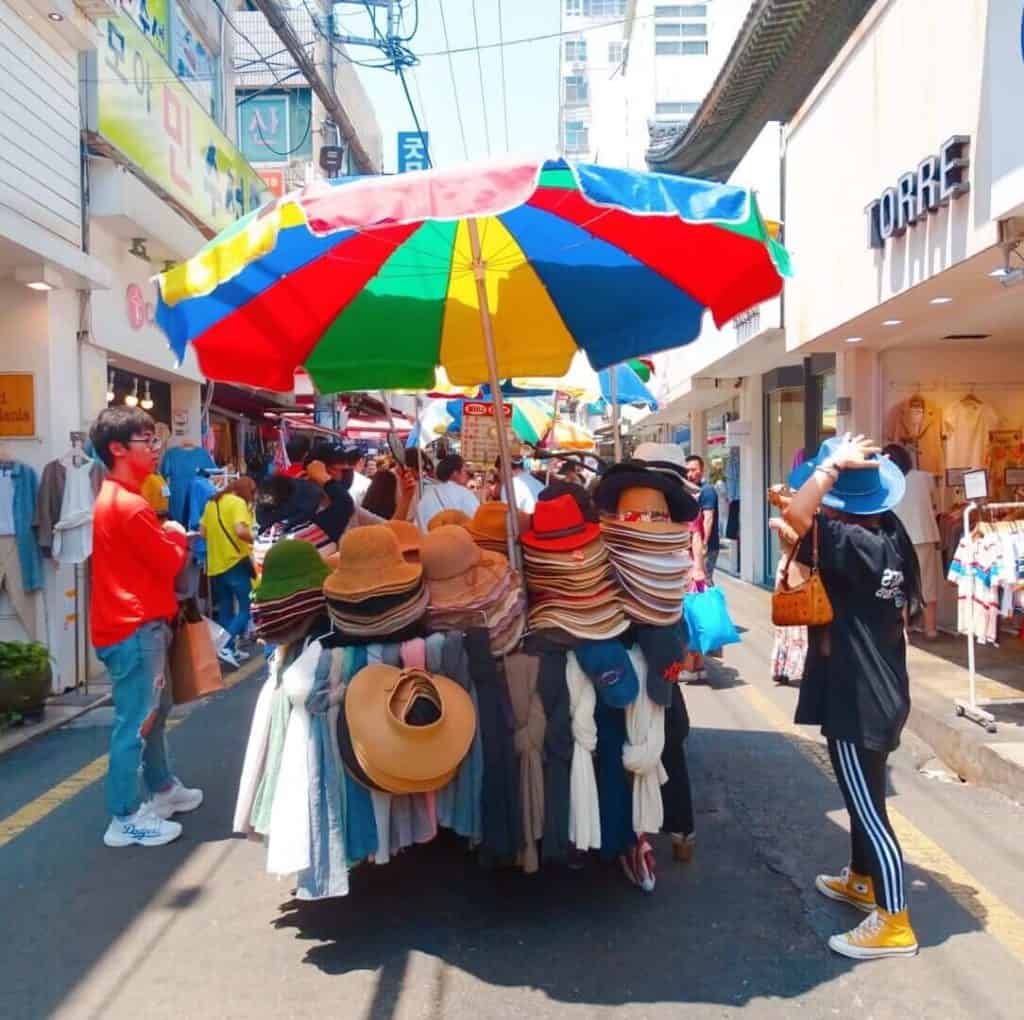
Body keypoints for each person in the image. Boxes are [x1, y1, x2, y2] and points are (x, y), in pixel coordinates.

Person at [772, 432, 922, 960]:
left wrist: (830, 466)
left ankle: (894, 920)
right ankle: (862, 879)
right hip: (881, 688)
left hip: (858, 697)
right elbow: (799, 521)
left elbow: (795, 518)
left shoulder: (850, 542)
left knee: (870, 807)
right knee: (867, 796)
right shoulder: (890, 537)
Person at [89, 407, 202, 849]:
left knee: (151, 715)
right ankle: (124, 817)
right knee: (137, 721)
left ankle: (161, 788)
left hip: (135, 624)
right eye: (146, 441)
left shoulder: (119, 498)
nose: (156, 450)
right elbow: (169, 560)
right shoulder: (130, 505)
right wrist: (175, 534)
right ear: (117, 448)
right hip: (135, 626)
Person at [885, 443, 941, 639]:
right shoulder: (925, 478)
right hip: (923, 535)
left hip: (897, 536)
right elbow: (936, 504)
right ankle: (931, 628)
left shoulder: (888, 479)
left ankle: (903, 629)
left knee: (899, 582)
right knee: (927, 583)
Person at [200, 476, 256, 668]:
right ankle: (224, 645)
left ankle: (229, 648)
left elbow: (202, 532)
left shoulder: (211, 504)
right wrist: (255, 538)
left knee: (225, 608)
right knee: (246, 607)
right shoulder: (237, 503)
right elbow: (241, 530)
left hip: (215, 564)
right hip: (234, 562)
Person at [416, 453, 480, 530]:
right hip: (456, 540)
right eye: (464, 471)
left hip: (428, 540)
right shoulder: (465, 494)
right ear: (455, 473)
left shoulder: (426, 496)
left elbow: (417, 525)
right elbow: (477, 522)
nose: (466, 475)